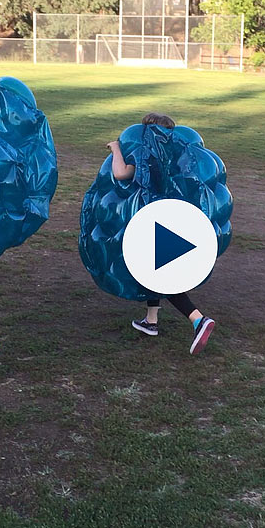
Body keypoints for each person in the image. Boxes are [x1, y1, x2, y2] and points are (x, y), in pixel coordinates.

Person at [107, 113, 216, 355]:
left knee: (159, 273)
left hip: (151, 217)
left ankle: (198, 319)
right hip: (174, 216)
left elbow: (120, 173)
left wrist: (115, 148)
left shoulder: (145, 153)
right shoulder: (176, 154)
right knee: (153, 270)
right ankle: (151, 320)